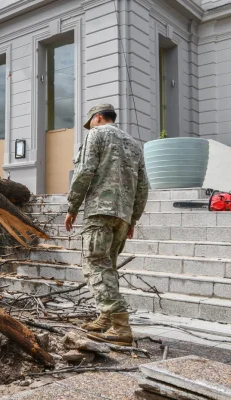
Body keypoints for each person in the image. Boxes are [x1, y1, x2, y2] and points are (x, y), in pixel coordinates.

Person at [65, 103, 148, 347]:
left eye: (90, 121)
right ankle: (106, 318)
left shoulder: (97, 134)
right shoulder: (134, 144)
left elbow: (84, 172)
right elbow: (143, 186)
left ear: (98, 117)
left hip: (100, 210)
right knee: (108, 266)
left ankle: (121, 327)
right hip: (122, 215)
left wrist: (72, 207)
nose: (89, 126)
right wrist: (133, 219)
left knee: (96, 266)